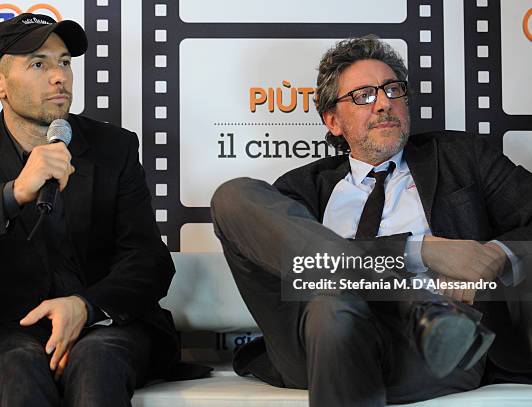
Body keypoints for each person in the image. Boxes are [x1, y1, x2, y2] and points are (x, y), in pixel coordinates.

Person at [211, 36, 532, 406]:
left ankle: (417, 310)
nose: (383, 104)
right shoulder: (299, 190)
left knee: (333, 308)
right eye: (363, 95)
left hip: (428, 348)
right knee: (234, 195)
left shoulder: (463, 159)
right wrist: (417, 251)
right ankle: (415, 300)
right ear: (333, 120)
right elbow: (296, 267)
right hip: (313, 340)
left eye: (392, 90)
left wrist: (500, 254)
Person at [0, 13, 178, 407]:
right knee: (18, 366)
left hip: (107, 326)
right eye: (39, 64)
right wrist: (13, 193)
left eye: (65, 62)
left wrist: (85, 307)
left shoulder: (115, 147)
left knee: (96, 358)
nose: (59, 76)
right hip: (7, 330)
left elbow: (149, 260)